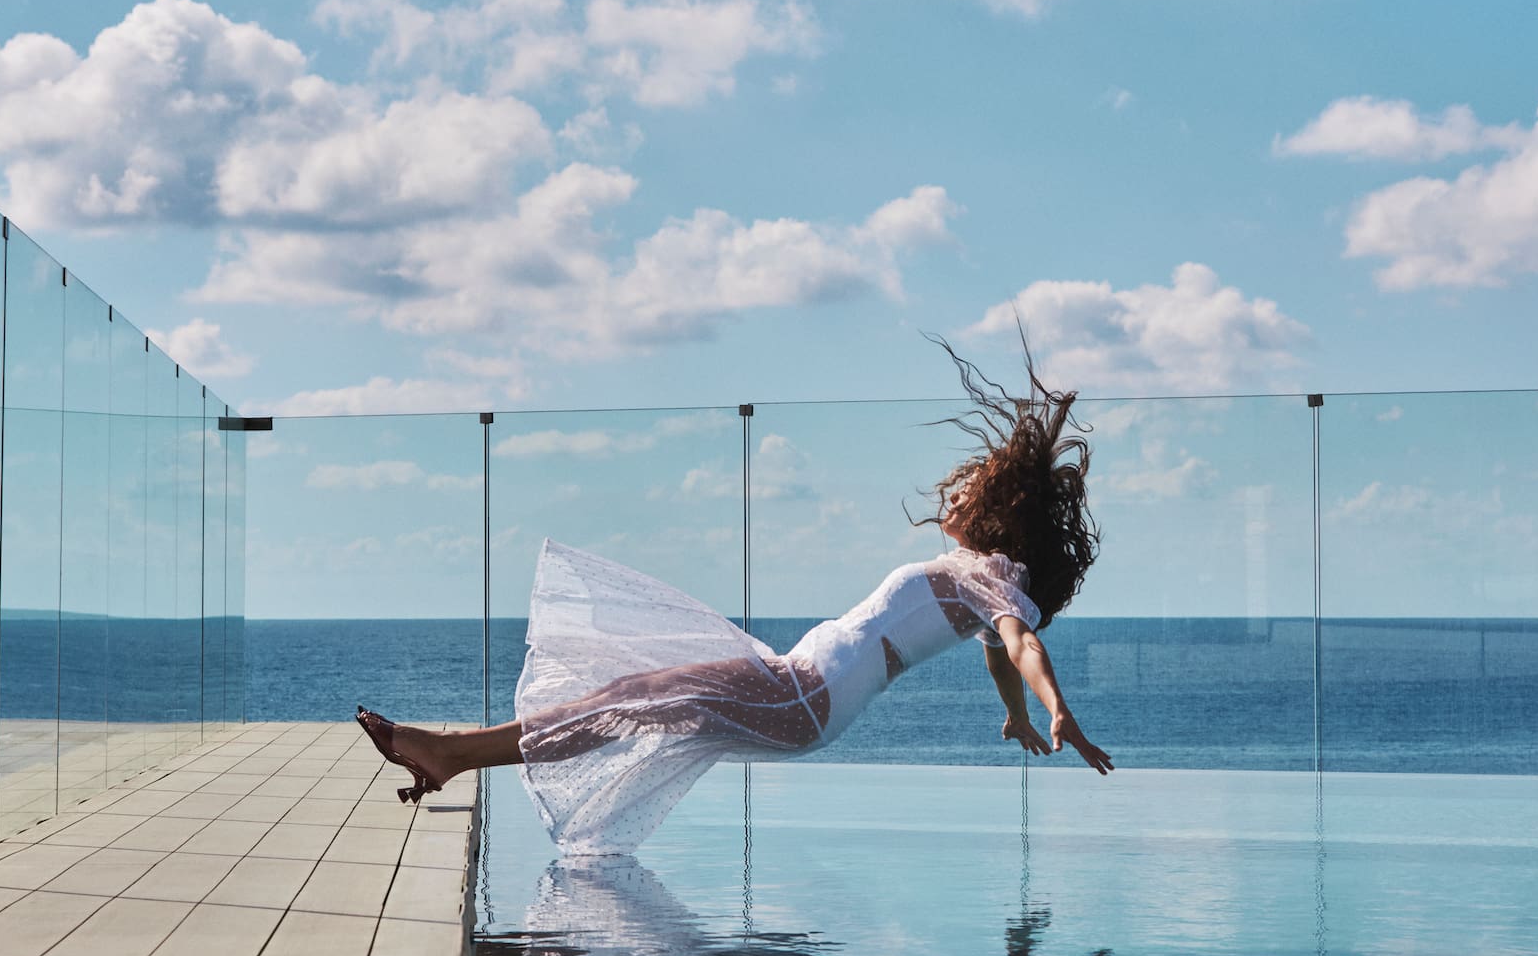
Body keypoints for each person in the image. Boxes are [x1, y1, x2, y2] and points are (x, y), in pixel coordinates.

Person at [357, 341, 1112, 855]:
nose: (956, 489)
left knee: (629, 696)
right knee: (630, 698)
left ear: (998, 507)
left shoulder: (990, 578)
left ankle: (450, 754)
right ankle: (450, 755)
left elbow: (1020, 644)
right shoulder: (983, 581)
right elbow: (1001, 655)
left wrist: (1056, 708)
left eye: (971, 486)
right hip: (798, 688)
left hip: (802, 694)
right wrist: (1015, 711)